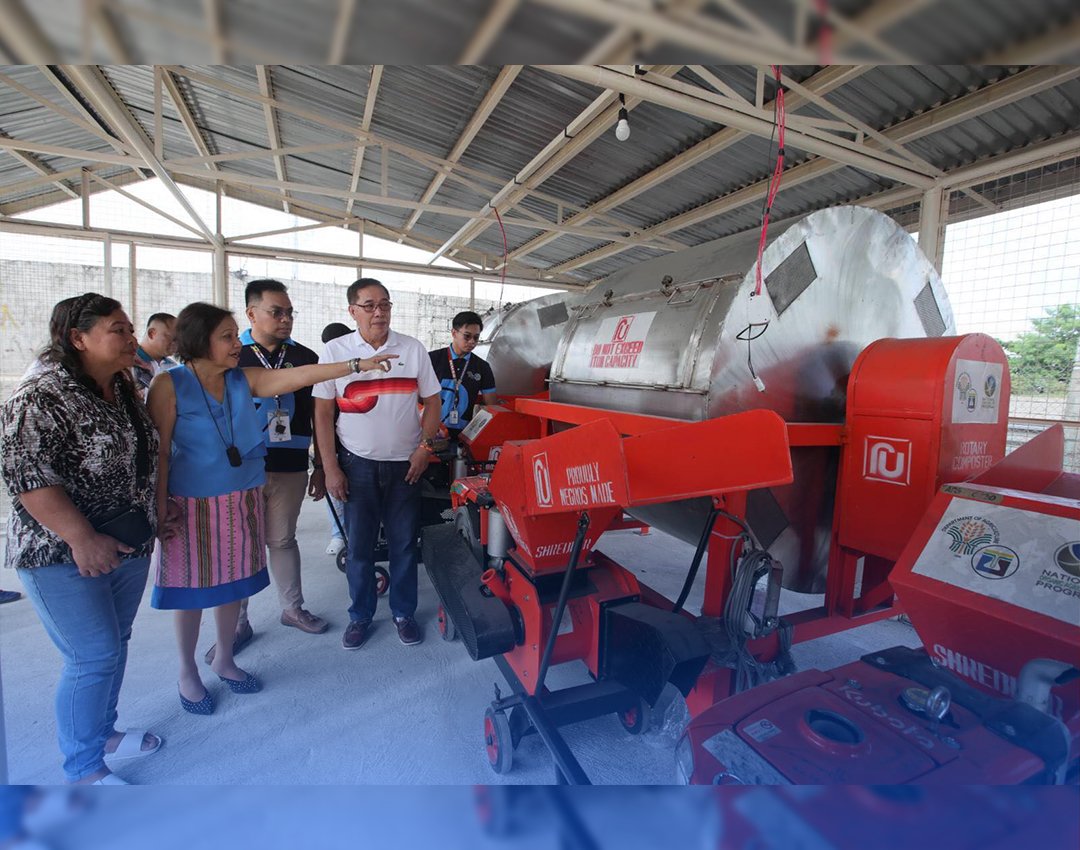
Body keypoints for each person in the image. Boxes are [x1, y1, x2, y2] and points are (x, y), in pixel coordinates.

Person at [146, 302, 393, 716]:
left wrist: (356, 365)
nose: (235, 344)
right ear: (200, 340)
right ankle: (187, 671)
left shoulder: (242, 379)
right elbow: (159, 454)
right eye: (227, 337)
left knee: (233, 586)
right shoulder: (169, 385)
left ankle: (225, 658)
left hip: (240, 498)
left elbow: (300, 376)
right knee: (190, 594)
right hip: (188, 506)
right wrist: (159, 506)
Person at [0, 292, 164, 785]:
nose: (131, 337)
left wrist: (158, 508)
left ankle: (103, 733)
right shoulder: (40, 396)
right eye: (118, 329)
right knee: (91, 655)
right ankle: (84, 770)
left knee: (115, 644)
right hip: (62, 553)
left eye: (130, 328)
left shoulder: (123, 385)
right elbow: (27, 478)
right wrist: (81, 537)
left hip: (126, 540)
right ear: (78, 338)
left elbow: (141, 456)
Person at [202, 281, 327, 666]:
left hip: (290, 466)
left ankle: (292, 609)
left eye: (289, 312)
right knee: (239, 545)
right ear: (251, 313)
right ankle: (237, 624)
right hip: (240, 469)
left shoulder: (304, 357)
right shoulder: (229, 357)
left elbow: (320, 417)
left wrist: (321, 466)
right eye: (277, 312)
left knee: (283, 539)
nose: (286, 319)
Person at [314, 279, 441, 650]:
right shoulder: (335, 351)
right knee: (359, 548)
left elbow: (433, 402)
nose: (379, 312)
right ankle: (360, 615)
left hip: (406, 467)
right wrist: (331, 467)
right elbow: (322, 413)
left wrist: (425, 448)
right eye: (369, 305)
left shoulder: (412, 349)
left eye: (385, 304)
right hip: (357, 466)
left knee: (404, 546)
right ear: (352, 311)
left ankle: (403, 614)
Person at [429, 310, 497, 438]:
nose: (472, 341)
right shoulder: (432, 359)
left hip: (463, 435)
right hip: (430, 432)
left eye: (476, 337)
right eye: (467, 336)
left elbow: (491, 405)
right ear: (454, 333)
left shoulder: (482, 367)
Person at [320, 322, 352, 557]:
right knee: (335, 489)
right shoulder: (324, 370)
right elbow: (321, 414)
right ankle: (338, 534)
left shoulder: (361, 367)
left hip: (357, 443)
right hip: (332, 441)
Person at [131, 313, 177, 399]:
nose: (176, 343)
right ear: (152, 333)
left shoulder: (173, 367)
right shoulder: (129, 363)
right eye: (172, 337)